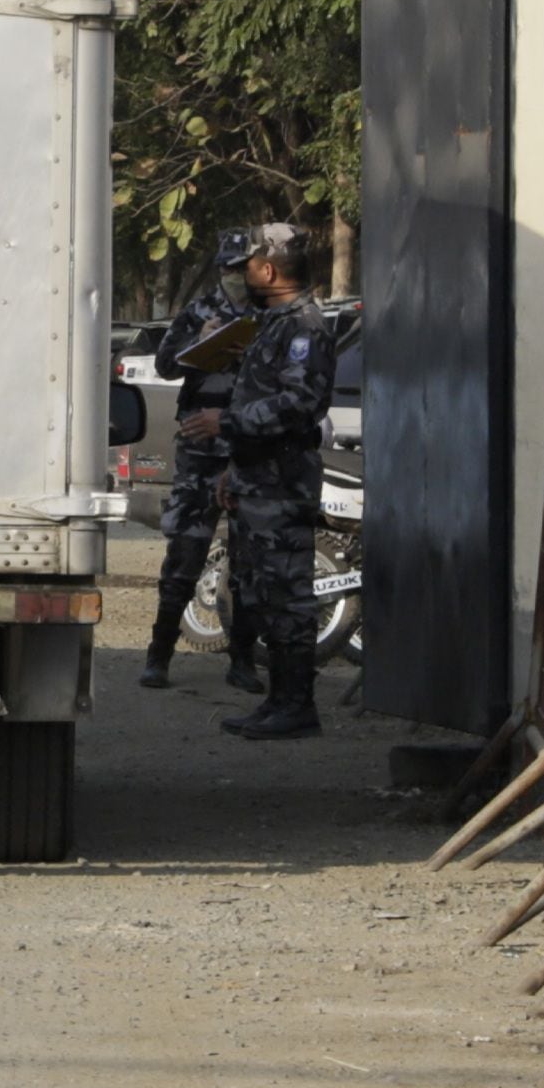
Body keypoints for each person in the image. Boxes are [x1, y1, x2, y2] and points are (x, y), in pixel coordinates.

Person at [185, 223, 335, 741]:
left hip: (283, 485)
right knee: (262, 594)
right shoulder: (273, 324)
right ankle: (277, 701)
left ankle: (297, 704)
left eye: (247, 266)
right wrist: (233, 465)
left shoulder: (305, 327)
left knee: (289, 596)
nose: (240, 276)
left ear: (268, 270)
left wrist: (224, 425)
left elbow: (300, 405)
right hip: (255, 480)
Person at [139, 228, 261, 691]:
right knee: (185, 556)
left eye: (239, 268)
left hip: (248, 450)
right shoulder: (199, 310)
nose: (233, 277)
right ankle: (158, 657)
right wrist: (201, 342)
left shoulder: (268, 314)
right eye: (226, 269)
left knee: (248, 564)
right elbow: (166, 364)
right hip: (199, 454)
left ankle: (243, 661)